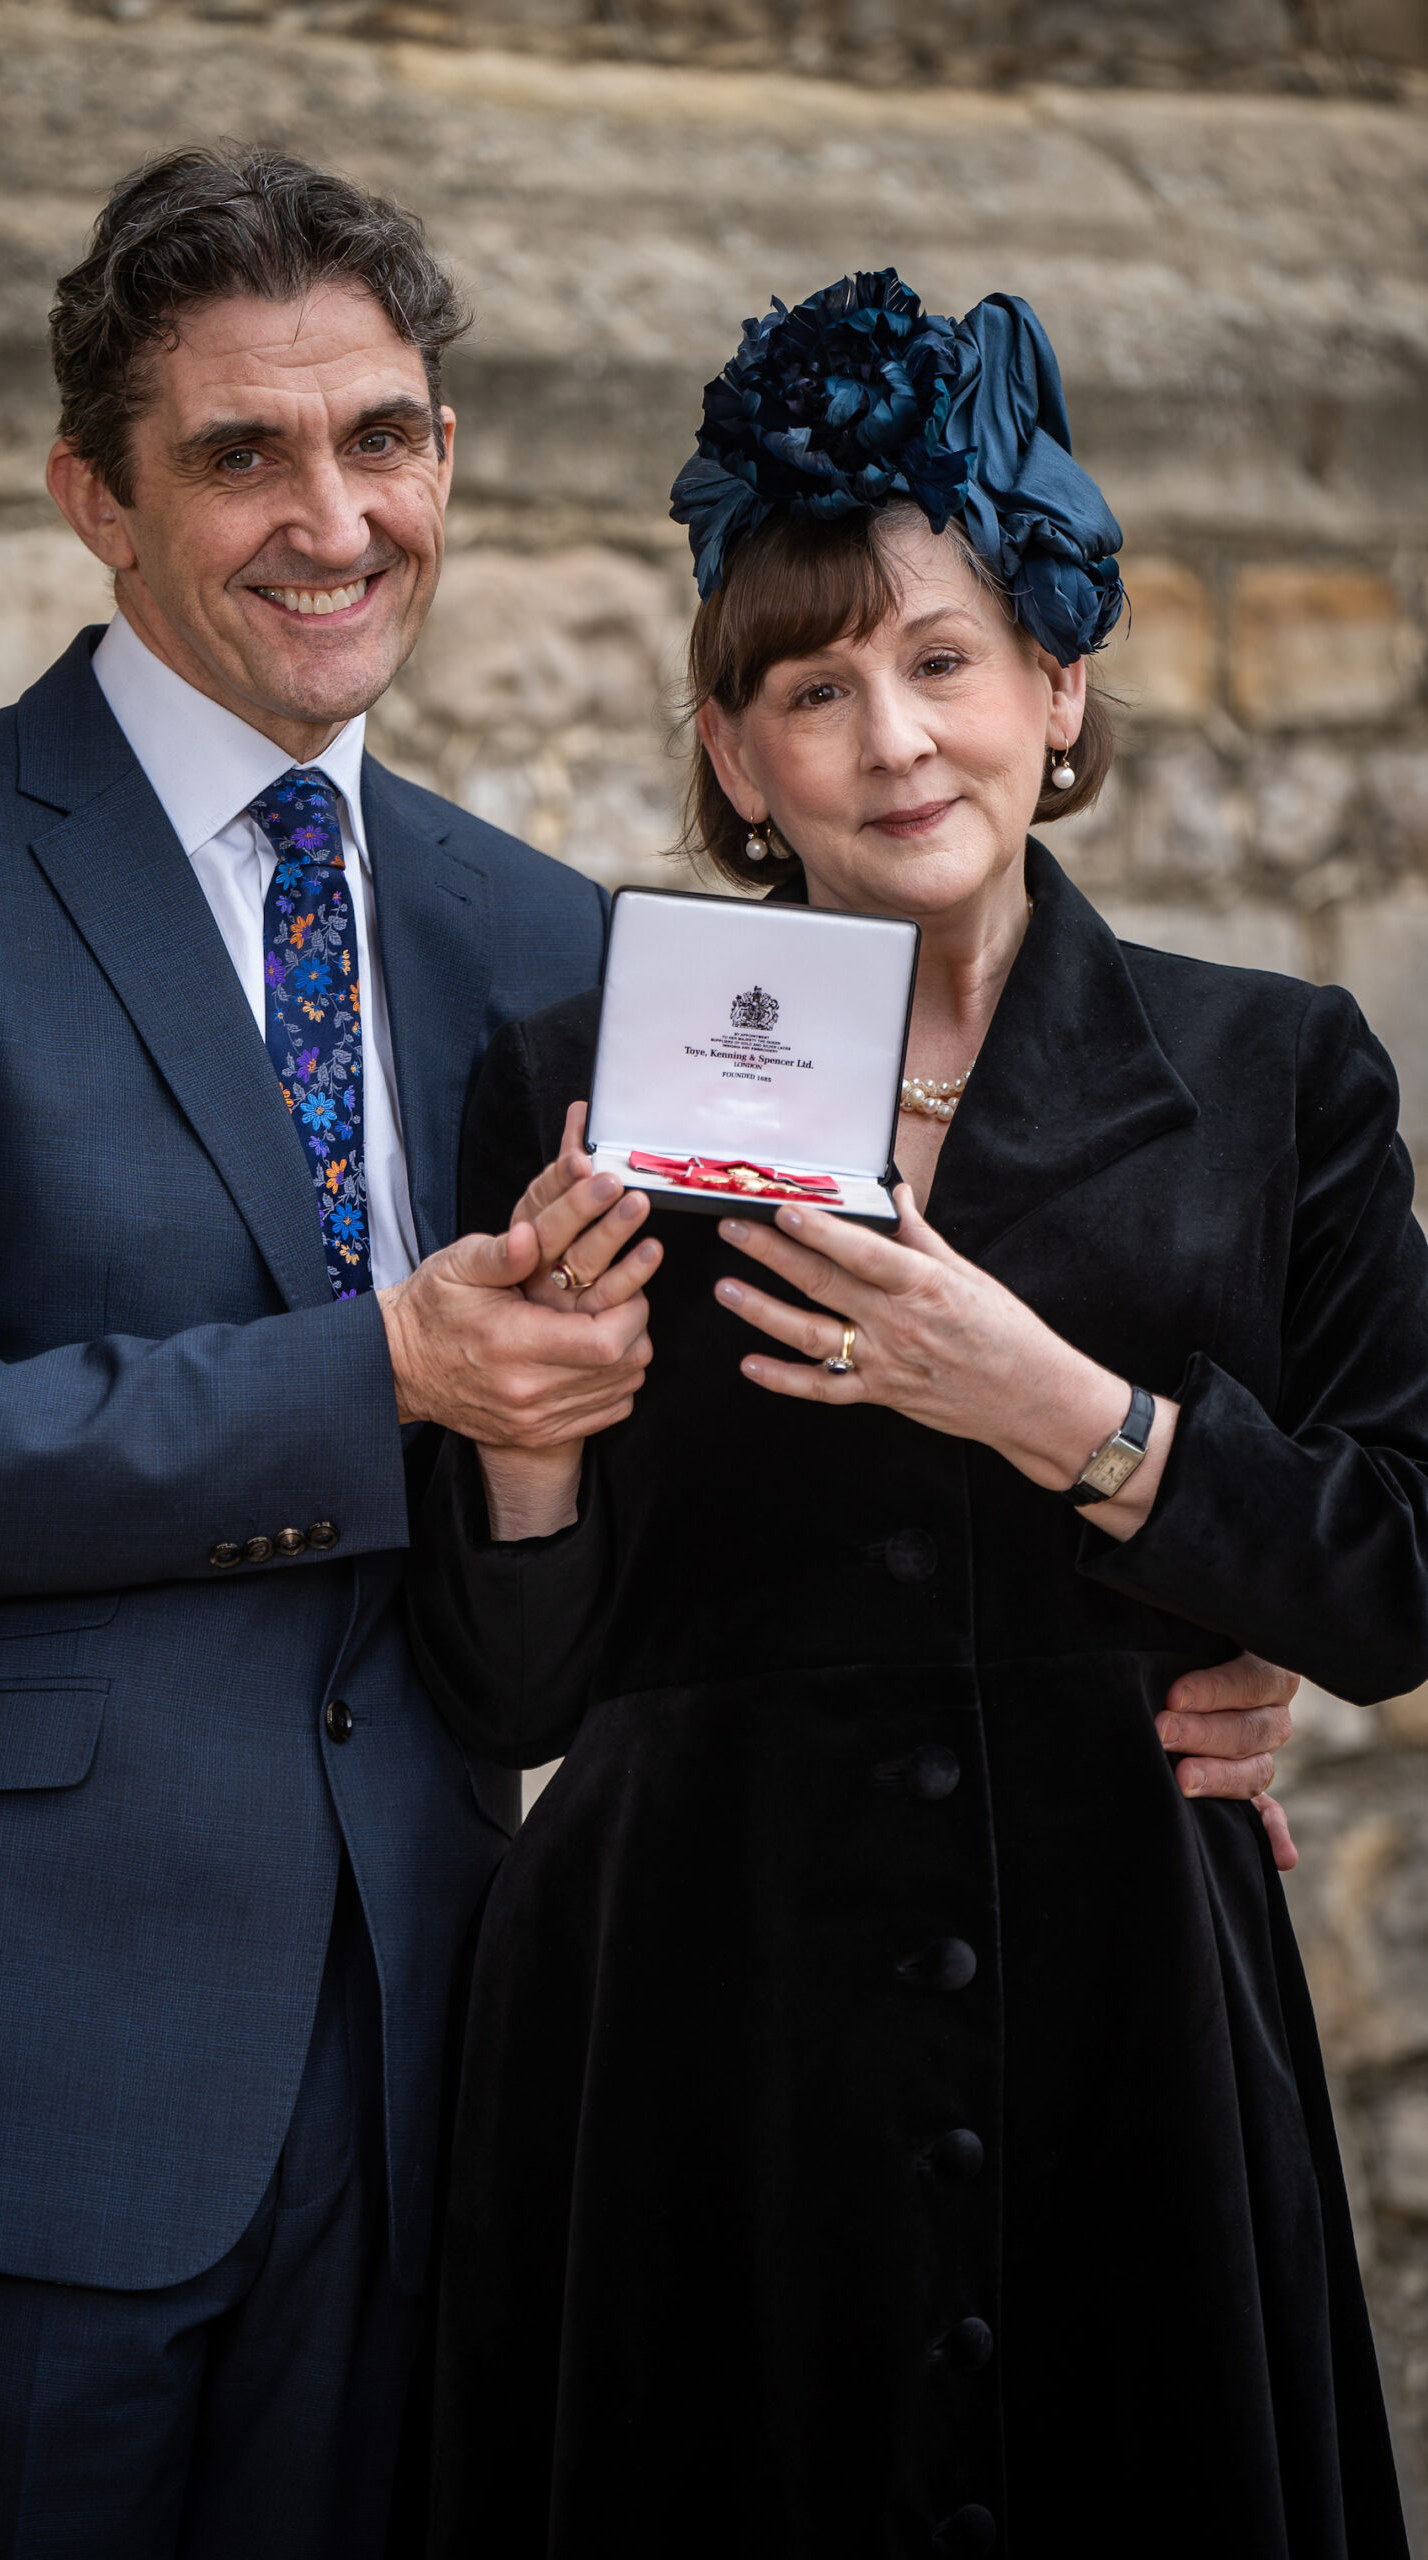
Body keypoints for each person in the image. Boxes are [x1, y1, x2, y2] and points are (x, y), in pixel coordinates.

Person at [406, 271, 1420, 2557]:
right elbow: (513, 1682)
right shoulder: (570, 1087)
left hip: (1126, 2021)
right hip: (687, 2030)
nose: (888, 737)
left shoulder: (1276, 1071)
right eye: (809, 682)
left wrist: (1066, 1412)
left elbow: (1390, 1565)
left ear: (1054, 682)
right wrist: (533, 1439)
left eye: (940, 657)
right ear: (734, 748)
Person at [0, 147, 657, 2560]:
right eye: (240, 453)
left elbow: (541, 1645)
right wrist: (399, 1373)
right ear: (94, 502)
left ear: (443, 457)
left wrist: (1139, 1638)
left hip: (413, 2069)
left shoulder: (537, 932)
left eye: (380, 439)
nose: (328, 517)